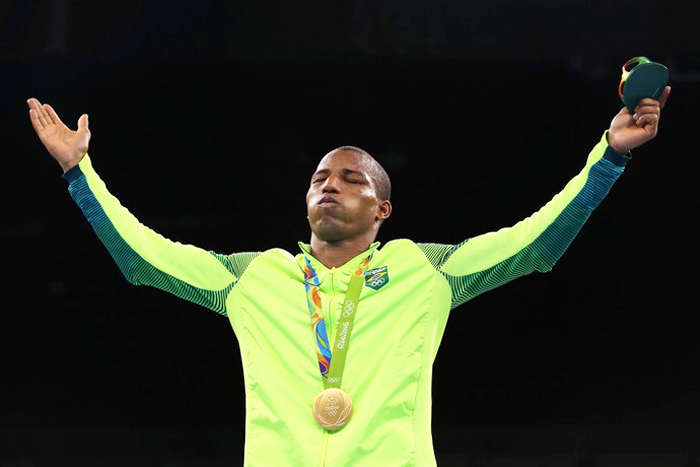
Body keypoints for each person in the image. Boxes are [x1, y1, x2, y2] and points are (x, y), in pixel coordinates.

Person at [27, 87, 671, 467]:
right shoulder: (253, 278)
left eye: (351, 177)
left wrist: (609, 157)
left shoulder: (425, 269)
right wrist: (80, 176)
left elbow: (535, 240)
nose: (329, 185)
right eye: (318, 179)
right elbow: (144, 256)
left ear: (382, 209)